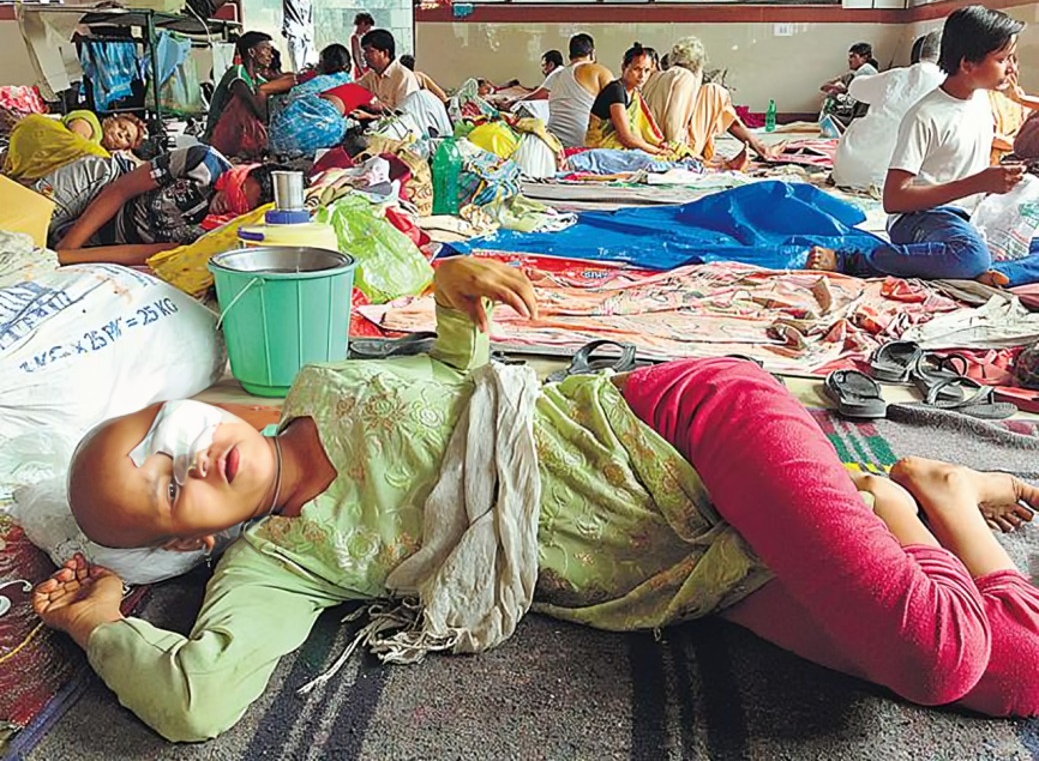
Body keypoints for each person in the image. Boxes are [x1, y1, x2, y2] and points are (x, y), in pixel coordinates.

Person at [32, 255, 1039, 745]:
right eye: (167, 497)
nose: (189, 466)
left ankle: (918, 504)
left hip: (683, 428)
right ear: (189, 546)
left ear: (189, 406)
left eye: (167, 440)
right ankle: (919, 497)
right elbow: (196, 698)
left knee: (932, 649)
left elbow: (461, 382)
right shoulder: (279, 562)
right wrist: (102, 626)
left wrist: (451, 289)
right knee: (1002, 676)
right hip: (687, 570)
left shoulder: (319, 381)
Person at [807, 6, 1038, 287]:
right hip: (921, 217)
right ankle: (853, 259)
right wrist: (978, 183)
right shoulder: (927, 114)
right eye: (1003, 59)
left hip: (970, 211)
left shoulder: (980, 100)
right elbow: (894, 200)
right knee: (969, 255)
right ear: (967, 64)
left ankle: (1003, 274)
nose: (1013, 68)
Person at [41, 145, 277, 266]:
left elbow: (144, 254)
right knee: (24, 220)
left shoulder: (219, 236)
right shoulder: (202, 161)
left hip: (111, 239)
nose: (228, 201)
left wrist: (66, 258)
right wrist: (68, 247)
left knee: (25, 254)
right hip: (99, 188)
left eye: (239, 205)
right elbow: (120, 190)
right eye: (237, 188)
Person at [832, 30, 945, 192]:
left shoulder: (897, 75)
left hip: (848, 169)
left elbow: (855, 87)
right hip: (887, 179)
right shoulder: (948, 87)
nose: (850, 60)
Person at [642, 36, 780, 163]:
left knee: (711, 93)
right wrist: (680, 153)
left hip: (650, 144)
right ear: (699, 64)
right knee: (715, 91)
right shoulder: (685, 77)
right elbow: (672, 122)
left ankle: (761, 147)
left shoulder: (658, 76)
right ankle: (761, 148)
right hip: (671, 149)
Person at [270, 44, 380, 158]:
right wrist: (373, 117)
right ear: (348, 66)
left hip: (287, 132)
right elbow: (381, 108)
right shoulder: (355, 88)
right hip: (329, 132)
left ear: (322, 64)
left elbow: (293, 95)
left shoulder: (313, 79)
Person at [203, 31, 280, 159]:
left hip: (239, 140)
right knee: (243, 103)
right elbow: (259, 112)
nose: (270, 56)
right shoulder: (237, 73)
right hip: (219, 139)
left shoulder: (260, 81)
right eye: (266, 50)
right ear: (251, 52)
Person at [585, 43, 667, 156]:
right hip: (601, 148)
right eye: (637, 69)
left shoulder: (634, 94)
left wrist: (658, 146)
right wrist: (657, 151)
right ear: (624, 67)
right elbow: (625, 137)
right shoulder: (616, 90)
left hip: (621, 147)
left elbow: (642, 131)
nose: (642, 75)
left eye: (647, 70)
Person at [546, 33, 614, 148]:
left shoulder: (556, 75)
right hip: (582, 145)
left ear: (569, 55)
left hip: (553, 143)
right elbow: (618, 107)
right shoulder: (598, 71)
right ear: (593, 54)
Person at [356, 29, 421, 111]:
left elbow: (404, 115)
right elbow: (354, 89)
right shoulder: (372, 75)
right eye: (364, 51)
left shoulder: (403, 76)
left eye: (369, 51)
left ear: (385, 53)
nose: (365, 55)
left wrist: (374, 113)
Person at [820, 42, 879, 125]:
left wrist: (837, 91)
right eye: (849, 57)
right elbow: (824, 86)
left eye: (853, 56)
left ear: (864, 58)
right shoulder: (853, 74)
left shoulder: (866, 71)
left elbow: (853, 96)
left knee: (831, 99)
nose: (849, 60)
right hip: (854, 110)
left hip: (860, 114)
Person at [281, 0, 315, 73]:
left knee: (309, 68)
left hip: (307, 36)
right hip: (295, 35)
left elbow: (309, 18)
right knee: (299, 69)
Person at [350, 12, 376, 81]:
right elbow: (356, 56)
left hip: (368, 66)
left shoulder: (366, 36)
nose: (369, 29)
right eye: (368, 26)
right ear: (362, 24)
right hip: (361, 67)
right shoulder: (355, 38)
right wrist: (361, 70)